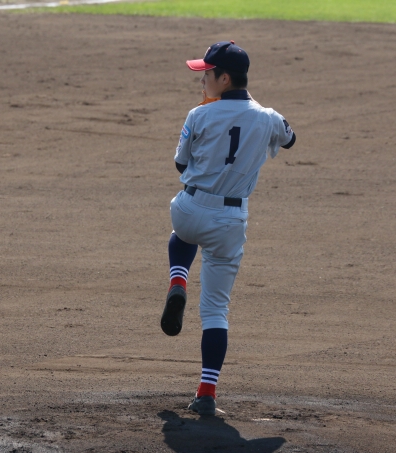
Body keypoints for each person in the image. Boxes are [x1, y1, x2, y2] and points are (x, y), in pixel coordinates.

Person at [160, 40, 296, 416]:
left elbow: (180, 164)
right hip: (229, 221)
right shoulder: (268, 117)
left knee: (182, 235)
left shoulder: (199, 114)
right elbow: (290, 139)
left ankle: (178, 280)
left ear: (225, 78)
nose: (202, 79)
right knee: (216, 311)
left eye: (207, 73)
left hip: (189, 209)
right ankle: (206, 393)